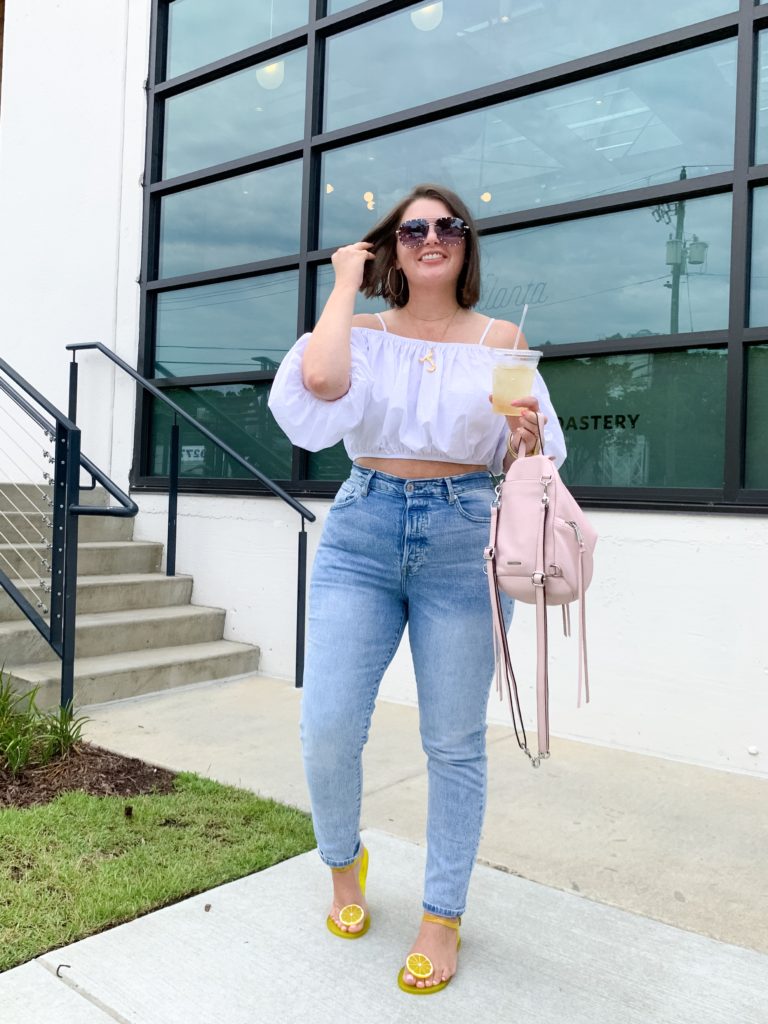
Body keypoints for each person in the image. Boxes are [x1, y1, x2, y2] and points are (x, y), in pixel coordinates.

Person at [268, 183, 566, 994]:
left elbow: (528, 461)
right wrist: (339, 281)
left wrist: (525, 438)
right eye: (412, 230)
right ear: (389, 248)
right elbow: (320, 390)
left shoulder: (502, 338)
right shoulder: (359, 332)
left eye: (448, 227)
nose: (431, 238)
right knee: (327, 724)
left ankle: (442, 915)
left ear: (467, 246)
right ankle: (343, 865)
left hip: (464, 536)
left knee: (453, 741)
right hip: (364, 527)